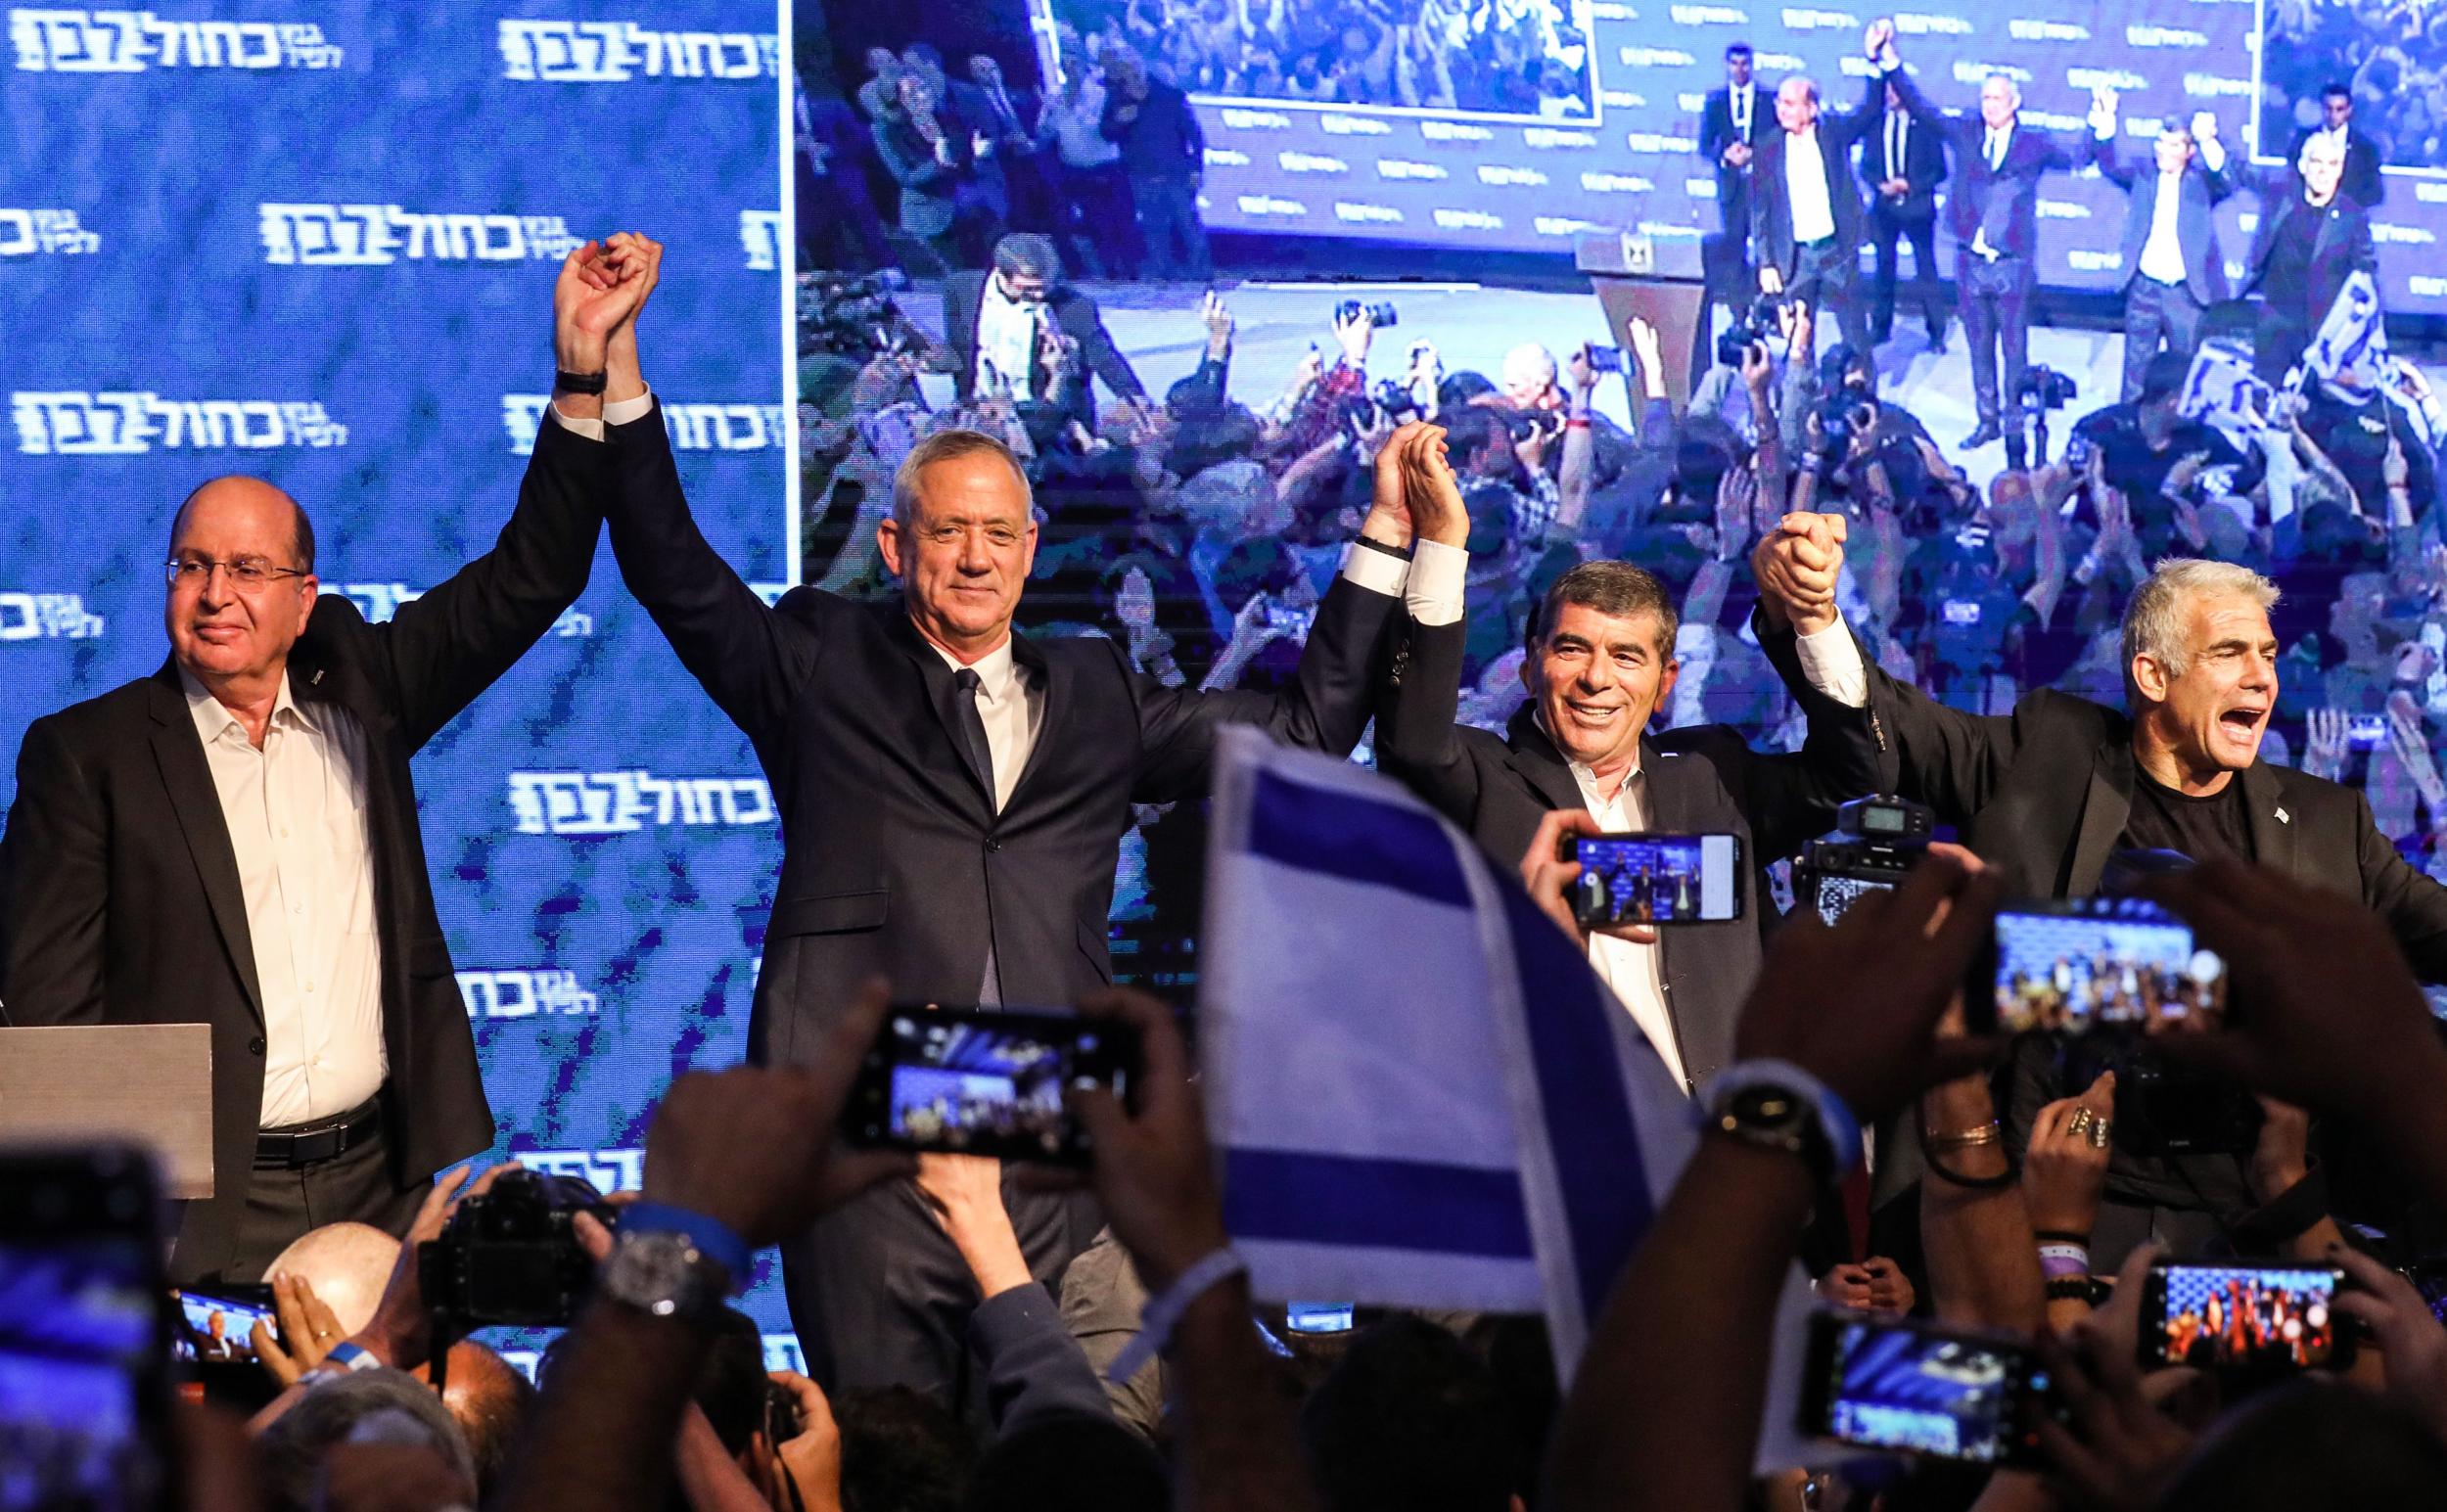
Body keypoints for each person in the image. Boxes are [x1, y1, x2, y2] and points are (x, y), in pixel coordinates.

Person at [585, 234, 1454, 1407]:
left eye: (999, 533)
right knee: (899, 1460)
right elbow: (674, 571)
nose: (976, 557)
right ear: (897, 548)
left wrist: (1389, 535)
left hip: (1053, 1159)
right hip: (869, 1159)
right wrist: (613, 368)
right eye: (948, 531)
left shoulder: (1094, 690)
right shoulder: (822, 662)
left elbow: (1304, 728)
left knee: (1075, 1458)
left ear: (1031, 548)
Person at [0, 245, 650, 1285]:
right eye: (193, 567)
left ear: (303, 601)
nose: (216, 594)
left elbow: (534, 575)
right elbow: (48, 1018)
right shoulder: (88, 758)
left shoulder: (365, 697)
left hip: (379, 1185)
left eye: (249, 570)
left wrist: (582, 372)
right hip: (196, 1209)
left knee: (388, 1447)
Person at [1761, 527, 2447, 1260]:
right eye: (2231, 653)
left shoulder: (2326, 822)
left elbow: (2431, 927)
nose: (2262, 678)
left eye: (2269, 656)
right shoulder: (2043, 756)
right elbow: (1901, 730)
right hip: (2057, 1212)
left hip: (2252, 1221)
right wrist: (1814, 618)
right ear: (2153, 676)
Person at [1374, 491, 1892, 1091]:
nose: (1597, 679)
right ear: (1529, 667)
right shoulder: (1481, 779)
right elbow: (1412, 740)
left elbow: (1856, 778)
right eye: (1573, 650)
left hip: (1713, 1156)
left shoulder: (1711, 776)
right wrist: (1439, 544)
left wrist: (1811, 617)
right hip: (1557, 1147)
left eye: (1626, 657)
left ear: (1665, 681)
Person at [1871, 20, 2102, 467]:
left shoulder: (2033, 144)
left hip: (2012, 264)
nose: (1988, 105)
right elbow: (1921, 108)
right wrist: (1890, 60)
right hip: (1970, 263)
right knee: (1979, 346)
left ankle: (2014, 421)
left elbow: (2078, 158)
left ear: (2015, 103)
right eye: (1984, 98)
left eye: (1996, 98)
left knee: (2014, 347)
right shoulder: (1965, 133)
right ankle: (1987, 419)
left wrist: (2100, 123)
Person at [2084, 99, 2236, 400]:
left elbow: (2227, 178)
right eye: (2160, 142)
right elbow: (2109, 164)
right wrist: (2105, 122)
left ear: (2189, 152)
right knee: (2136, 373)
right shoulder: (2143, 174)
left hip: (2185, 295)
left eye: (2174, 145)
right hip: (2144, 290)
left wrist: (2208, 140)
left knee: (2183, 374)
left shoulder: (2202, 183)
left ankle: (2177, 436)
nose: (2164, 151)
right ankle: (2130, 434)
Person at [943, 233, 1146, 422]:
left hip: (1046, 418)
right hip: (982, 412)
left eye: (1044, 287)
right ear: (1002, 275)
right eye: (1029, 288)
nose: (1039, 295)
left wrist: (1132, 395)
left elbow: (1103, 356)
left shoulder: (1074, 306)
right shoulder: (961, 291)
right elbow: (959, 349)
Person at [1748, 72, 1881, 357]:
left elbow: (1869, 111)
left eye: (1790, 103)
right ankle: (1802, 398)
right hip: (1795, 259)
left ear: (1811, 109)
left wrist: (1875, 65)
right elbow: (1760, 212)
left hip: (1837, 252)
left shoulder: (1833, 134)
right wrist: (1766, 263)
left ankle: (1861, 396)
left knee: (1855, 334)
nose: (1782, 109)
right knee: (1799, 339)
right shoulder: (1767, 149)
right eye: (1779, 102)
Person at [2240, 129, 2378, 388]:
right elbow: (2246, 174)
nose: (2324, 171)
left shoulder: (2352, 216)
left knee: (2317, 411)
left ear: (2340, 171)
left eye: (2333, 164)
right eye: (2317, 162)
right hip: (2276, 322)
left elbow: (2366, 273)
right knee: (2261, 398)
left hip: (2322, 330)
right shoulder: (2281, 197)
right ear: (2303, 167)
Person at [1100, 48, 1209, 282]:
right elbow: (1106, 132)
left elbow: (1195, 137)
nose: (1125, 75)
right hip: (1141, 174)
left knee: (1188, 225)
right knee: (1154, 227)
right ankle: (1163, 272)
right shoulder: (1116, 99)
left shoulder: (1170, 96)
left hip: (1176, 174)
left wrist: (1196, 168)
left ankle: (1201, 273)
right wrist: (1119, 122)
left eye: (1129, 69)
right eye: (1122, 72)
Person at [1860, 77, 1950, 351]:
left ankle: (1935, 332)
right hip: (1884, 209)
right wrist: (1879, 185)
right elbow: (1866, 167)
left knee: (1926, 271)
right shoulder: (1876, 124)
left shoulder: (1925, 127)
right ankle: (1880, 327)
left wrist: (1911, 186)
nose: (1890, 95)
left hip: (1918, 209)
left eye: (1895, 89)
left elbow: (1940, 171)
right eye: (1886, 90)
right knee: (1883, 269)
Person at [1696, 42, 1767, 238]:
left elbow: (1778, 141)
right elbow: (1705, 145)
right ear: (1727, 66)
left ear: (1752, 65)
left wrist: (1755, 154)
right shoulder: (1715, 102)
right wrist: (1725, 156)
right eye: (1734, 63)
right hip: (1730, 188)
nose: (1740, 69)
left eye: (1745, 64)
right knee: (1733, 246)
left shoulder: (1769, 99)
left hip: (1764, 186)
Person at [2285, 80, 2385, 210]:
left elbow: (2375, 193)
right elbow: (2291, 182)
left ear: (2349, 110)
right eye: (2328, 108)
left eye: (2339, 109)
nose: (2333, 115)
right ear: (2321, 108)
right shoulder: (2301, 141)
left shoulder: (2366, 149)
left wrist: (2345, 207)